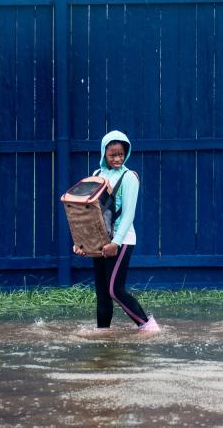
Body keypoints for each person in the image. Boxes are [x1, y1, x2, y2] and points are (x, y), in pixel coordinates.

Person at [73, 130, 159, 332]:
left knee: (114, 289)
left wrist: (116, 242)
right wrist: (81, 241)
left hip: (122, 239)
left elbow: (129, 214)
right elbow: (85, 212)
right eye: (112, 155)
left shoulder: (130, 177)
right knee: (102, 291)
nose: (118, 158)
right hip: (100, 239)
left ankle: (148, 326)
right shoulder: (96, 175)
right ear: (104, 153)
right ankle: (103, 331)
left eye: (121, 154)